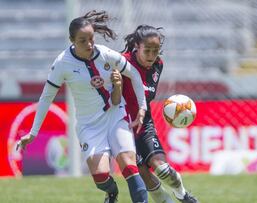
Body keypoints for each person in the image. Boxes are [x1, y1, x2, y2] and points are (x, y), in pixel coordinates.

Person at [16, 10, 149, 203]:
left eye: (91, 39)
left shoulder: (105, 54)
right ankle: (111, 193)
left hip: (115, 115)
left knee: (129, 166)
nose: (89, 45)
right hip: (89, 125)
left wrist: (142, 107)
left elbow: (135, 74)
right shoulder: (62, 63)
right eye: (82, 40)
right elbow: (46, 97)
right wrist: (33, 132)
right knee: (101, 176)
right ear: (71, 40)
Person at [120, 25, 198, 203]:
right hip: (121, 126)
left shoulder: (158, 65)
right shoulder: (122, 63)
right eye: (147, 50)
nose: (151, 55)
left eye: (156, 51)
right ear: (137, 47)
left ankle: (182, 194)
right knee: (142, 172)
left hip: (144, 124)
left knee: (162, 169)